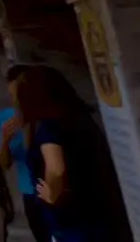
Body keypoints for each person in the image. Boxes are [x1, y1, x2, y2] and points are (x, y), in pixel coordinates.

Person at [16, 65, 125, 241]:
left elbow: (55, 170)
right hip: (100, 209)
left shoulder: (49, 129)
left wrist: (50, 195)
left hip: (71, 221)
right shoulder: (81, 119)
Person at [0, 65, 49, 242]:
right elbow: (4, 164)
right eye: (13, 96)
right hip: (30, 192)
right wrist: (4, 140)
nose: (17, 101)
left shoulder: (44, 116)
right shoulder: (4, 119)